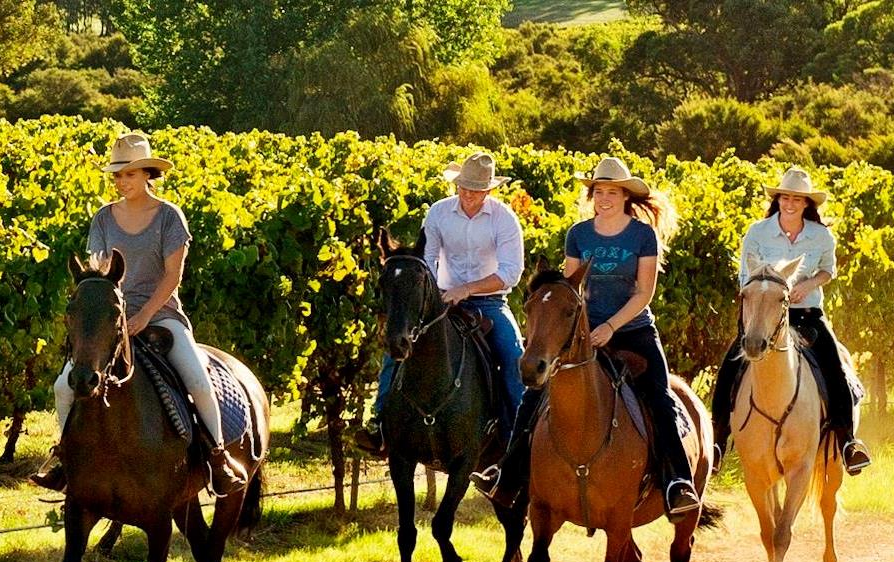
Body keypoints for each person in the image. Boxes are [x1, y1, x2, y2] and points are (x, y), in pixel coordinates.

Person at [471, 156, 701, 522]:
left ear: (626, 196)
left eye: (612, 192)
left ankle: (676, 482)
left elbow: (644, 293)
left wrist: (610, 326)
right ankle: (507, 475)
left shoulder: (642, 235)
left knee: (659, 398)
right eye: (598, 191)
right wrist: (573, 330)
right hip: (580, 332)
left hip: (633, 328)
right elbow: (568, 290)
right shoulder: (578, 234)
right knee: (534, 396)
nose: (604, 198)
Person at [30, 133, 248, 496]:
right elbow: (100, 270)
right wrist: (109, 314)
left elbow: (173, 275)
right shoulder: (102, 218)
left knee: (197, 379)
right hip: (110, 320)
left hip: (161, 315)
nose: (121, 181)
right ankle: (66, 460)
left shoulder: (168, 217)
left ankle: (218, 457)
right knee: (62, 387)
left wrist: (145, 315)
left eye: (128, 174)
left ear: (148, 173)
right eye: (116, 175)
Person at [355, 152, 526, 454]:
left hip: (490, 303)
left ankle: (518, 438)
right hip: (443, 300)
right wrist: (433, 297)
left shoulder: (504, 219)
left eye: (475, 189)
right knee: (397, 345)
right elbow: (428, 259)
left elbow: (511, 272)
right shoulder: (438, 213)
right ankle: (380, 424)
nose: (467, 193)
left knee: (513, 355)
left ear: (488, 190)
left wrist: (468, 289)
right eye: (463, 186)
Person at [712, 167, 871, 475]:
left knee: (835, 368)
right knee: (729, 371)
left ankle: (847, 442)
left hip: (807, 315)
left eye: (797, 199)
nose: (790, 203)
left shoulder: (821, 236)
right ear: (778, 199)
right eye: (785, 197)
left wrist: (807, 285)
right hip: (761, 314)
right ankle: (718, 441)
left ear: (806, 204)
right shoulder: (757, 232)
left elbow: (828, 271)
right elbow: (746, 280)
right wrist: (774, 292)